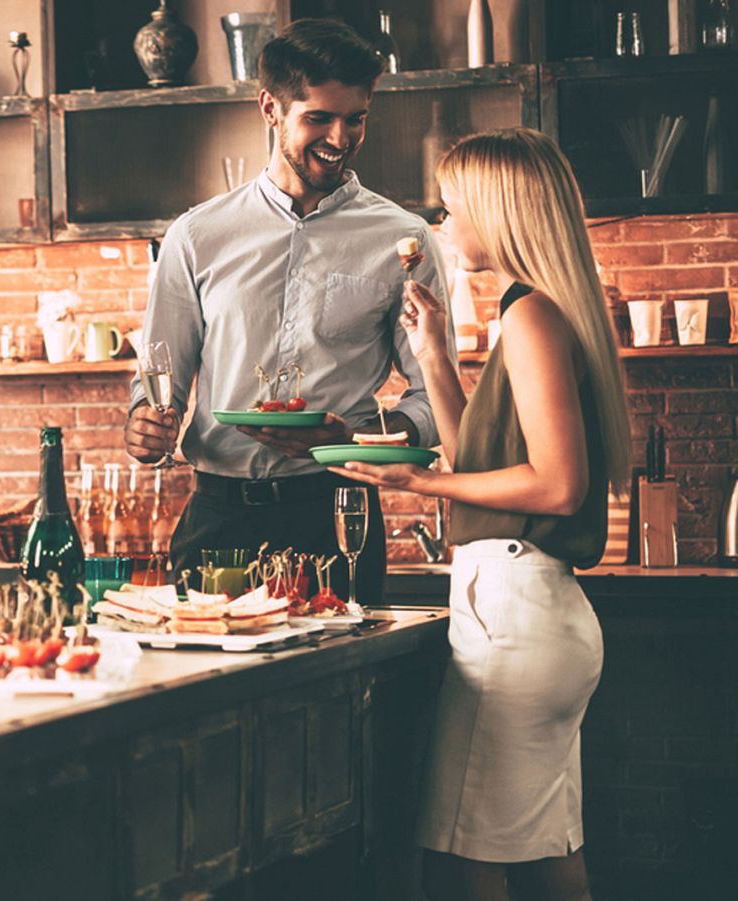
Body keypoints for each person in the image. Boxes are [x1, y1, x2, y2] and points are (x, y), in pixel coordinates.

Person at [334, 128, 628, 901]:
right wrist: (435, 354)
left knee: (463, 863)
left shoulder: (532, 317)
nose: (443, 225)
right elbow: (482, 464)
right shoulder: (540, 311)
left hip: (517, 624)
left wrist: (419, 483)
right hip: (541, 618)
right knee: (550, 853)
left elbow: (557, 485)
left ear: (500, 214)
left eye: (453, 207)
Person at [123, 18, 451, 604]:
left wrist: (358, 436)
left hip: (336, 514)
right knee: (209, 689)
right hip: (218, 519)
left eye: (356, 118)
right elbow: (156, 383)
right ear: (270, 108)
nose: (341, 137)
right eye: (319, 118)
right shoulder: (197, 234)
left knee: (344, 692)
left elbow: (432, 397)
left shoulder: (403, 239)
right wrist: (145, 426)